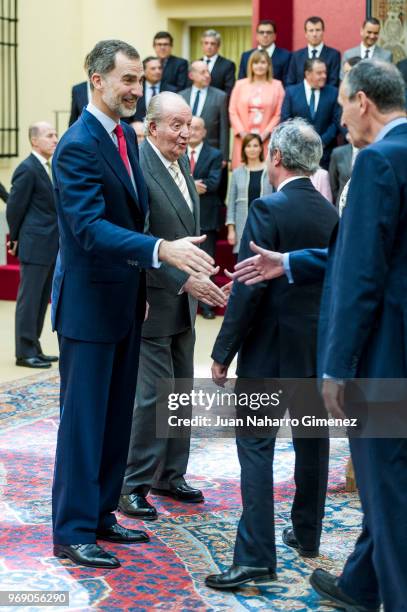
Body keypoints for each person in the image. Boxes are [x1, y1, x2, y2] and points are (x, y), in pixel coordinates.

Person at [229, 60, 407, 612]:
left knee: (387, 490)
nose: (340, 122)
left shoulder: (378, 162)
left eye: (344, 106)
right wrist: (292, 261)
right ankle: (360, 585)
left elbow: (359, 274)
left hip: (384, 356)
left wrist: (335, 367)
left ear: (362, 103)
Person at [51, 40, 217, 569]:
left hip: (127, 303)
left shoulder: (124, 135)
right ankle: (73, 530)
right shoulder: (77, 144)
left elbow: (133, 221)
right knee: (84, 422)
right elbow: (91, 229)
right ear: (95, 80)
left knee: (116, 419)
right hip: (88, 308)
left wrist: (159, 278)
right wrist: (160, 250)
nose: (134, 90)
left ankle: (101, 516)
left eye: (138, 81)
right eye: (125, 80)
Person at [205, 119, 338, 590]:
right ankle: (306, 534)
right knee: (312, 441)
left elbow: (248, 289)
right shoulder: (330, 214)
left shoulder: (267, 207)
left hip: (268, 349)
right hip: (316, 349)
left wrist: (223, 351)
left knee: (256, 447)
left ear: (275, 159)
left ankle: (257, 556)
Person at [119, 92, 226, 521]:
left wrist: (197, 278)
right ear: (153, 127)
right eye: (177, 126)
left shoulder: (182, 162)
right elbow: (143, 243)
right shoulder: (139, 169)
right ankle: (133, 483)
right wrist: (187, 280)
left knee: (181, 392)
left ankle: (170, 475)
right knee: (152, 399)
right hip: (153, 300)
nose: (187, 134)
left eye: (189, 125)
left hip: (183, 303)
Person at [6, 122, 59, 368]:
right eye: (50, 135)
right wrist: (15, 238)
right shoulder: (27, 169)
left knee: (40, 301)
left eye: (55, 134)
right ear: (34, 141)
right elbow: (15, 208)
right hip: (34, 243)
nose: (55, 139)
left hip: (50, 244)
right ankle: (24, 351)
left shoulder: (48, 167)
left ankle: (34, 347)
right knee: (29, 301)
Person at [188, 116, 223, 319]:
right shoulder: (179, 151)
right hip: (184, 215)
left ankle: (207, 305)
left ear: (204, 132)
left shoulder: (215, 154)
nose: (192, 132)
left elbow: (213, 183)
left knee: (206, 262)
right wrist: (195, 185)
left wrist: (188, 184)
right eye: (189, 128)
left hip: (207, 216)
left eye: (197, 128)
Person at [229, 49, 284, 169]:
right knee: (242, 178)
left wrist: (264, 135)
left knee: (266, 177)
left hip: (266, 140)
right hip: (243, 140)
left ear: (268, 65)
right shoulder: (240, 85)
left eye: (263, 62)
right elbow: (232, 111)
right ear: (251, 65)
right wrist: (244, 135)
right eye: (256, 62)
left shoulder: (277, 86)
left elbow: (278, 114)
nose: (259, 66)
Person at [281, 58, 340, 169]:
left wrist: (321, 142)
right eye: (319, 73)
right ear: (307, 74)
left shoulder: (333, 92)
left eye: (325, 72)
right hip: (297, 152)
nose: (324, 76)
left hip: (325, 154)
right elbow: (286, 120)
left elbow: (336, 121)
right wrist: (301, 142)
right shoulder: (291, 92)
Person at [226, 133, 272, 254]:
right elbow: (231, 204)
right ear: (244, 149)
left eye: (255, 145)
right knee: (242, 264)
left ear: (261, 148)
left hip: (265, 225)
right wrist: (231, 230)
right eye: (248, 146)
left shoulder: (270, 171)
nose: (252, 149)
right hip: (242, 226)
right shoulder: (237, 173)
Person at [179, 61, 229, 169]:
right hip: (184, 151)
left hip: (210, 151)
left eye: (208, 72)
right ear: (191, 75)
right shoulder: (181, 96)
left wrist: (224, 156)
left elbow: (224, 128)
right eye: (203, 72)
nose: (207, 75)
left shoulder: (220, 96)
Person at [287, 16, 340, 87]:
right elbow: (290, 82)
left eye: (318, 30)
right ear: (305, 34)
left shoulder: (334, 55)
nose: (314, 34)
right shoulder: (296, 56)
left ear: (323, 32)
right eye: (311, 30)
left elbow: (334, 83)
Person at [238, 19, 291, 84]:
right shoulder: (246, 56)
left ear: (275, 36)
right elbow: (242, 81)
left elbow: (288, 83)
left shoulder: (286, 56)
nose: (265, 35)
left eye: (269, 32)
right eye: (261, 32)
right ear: (257, 36)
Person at [130, 56, 177, 123]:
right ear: (143, 72)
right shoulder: (135, 89)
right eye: (153, 69)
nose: (157, 71)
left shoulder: (172, 91)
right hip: (138, 130)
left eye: (160, 68)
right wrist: (132, 125)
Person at [200, 29, 235, 98]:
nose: (209, 46)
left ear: (218, 46)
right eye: (206, 43)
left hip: (217, 104)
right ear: (202, 45)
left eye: (212, 43)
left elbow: (229, 90)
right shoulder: (195, 64)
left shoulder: (228, 65)